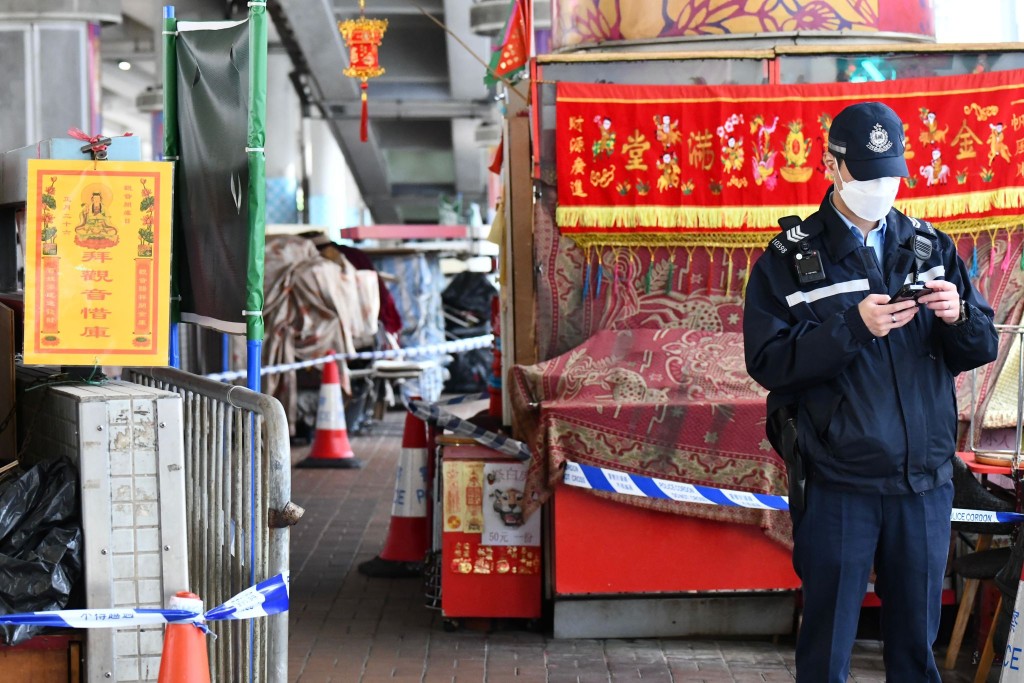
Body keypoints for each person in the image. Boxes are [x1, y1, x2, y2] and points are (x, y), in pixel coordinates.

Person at [743, 101, 998, 682]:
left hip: (924, 484)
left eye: (890, 175)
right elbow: (768, 361)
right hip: (839, 485)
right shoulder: (790, 259)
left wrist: (960, 316)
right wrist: (852, 327)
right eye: (866, 174)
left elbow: (978, 347)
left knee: (915, 649)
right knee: (828, 648)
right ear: (832, 166)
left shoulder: (929, 247)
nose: (880, 188)